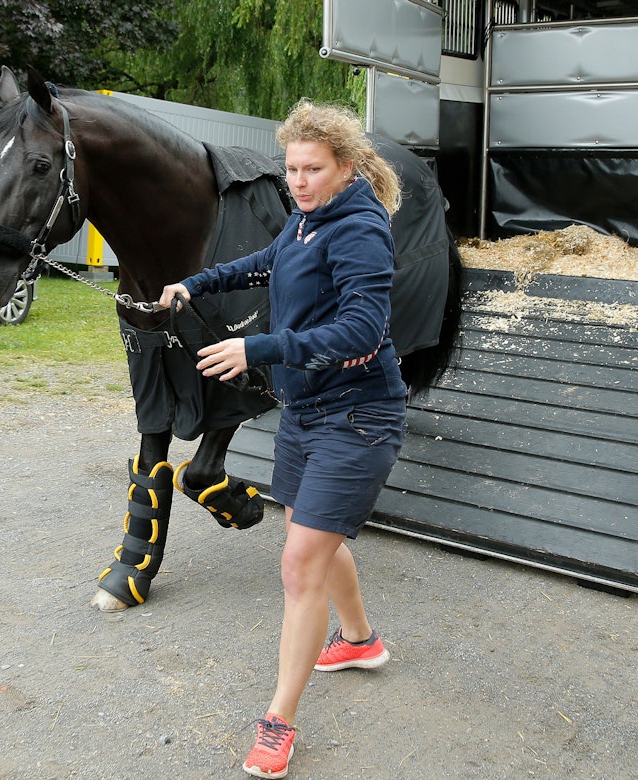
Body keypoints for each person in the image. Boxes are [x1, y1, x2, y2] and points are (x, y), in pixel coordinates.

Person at [159, 98, 407, 779]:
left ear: (346, 168)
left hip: (359, 415)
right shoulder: (307, 218)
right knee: (311, 534)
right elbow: (265, 262)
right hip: (307, 410)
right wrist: (196, 282)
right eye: (291, 169)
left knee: (299, 563)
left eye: (312, 170)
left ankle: (279, 722)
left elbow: (362, 330)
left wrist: (259, 347)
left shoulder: (358, 229)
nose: (297, 182)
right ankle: (358, 640)